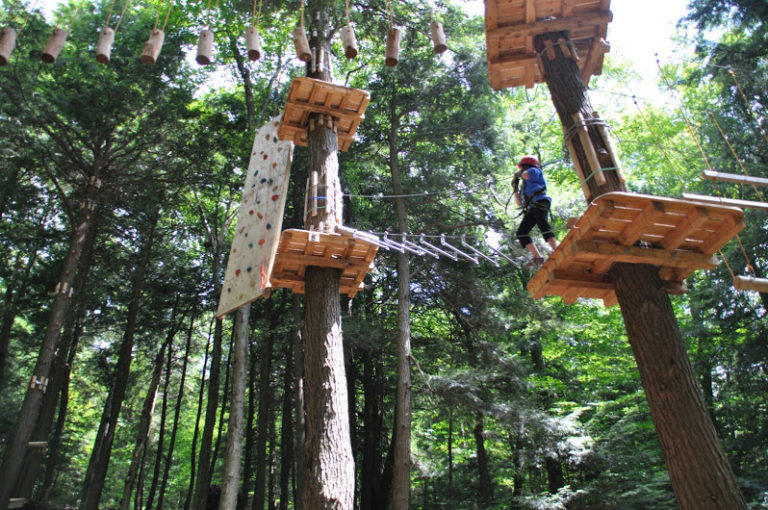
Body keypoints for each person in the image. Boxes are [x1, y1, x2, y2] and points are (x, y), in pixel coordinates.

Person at [512, 155, 557, 266]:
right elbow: (519, 203)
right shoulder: (525, 186)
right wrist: (515, 189)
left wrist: (519, 175)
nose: (521, 169)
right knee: (521, 232)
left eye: (522, 167)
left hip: (541, 201)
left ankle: (556, 249)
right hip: (532, 207)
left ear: (527, 165)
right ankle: (537, 257)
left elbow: (526, 175)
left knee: (542, 223)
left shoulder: (534, 170)